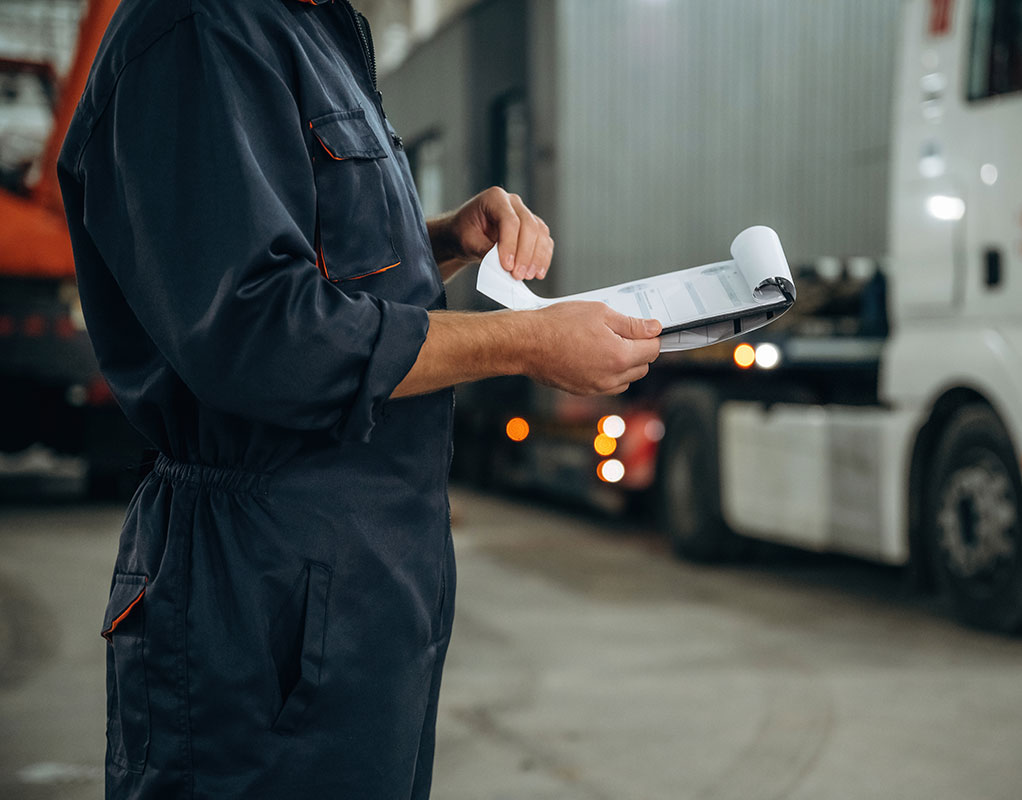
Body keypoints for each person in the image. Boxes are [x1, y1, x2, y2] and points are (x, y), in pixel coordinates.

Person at [57, 0, 661, 797]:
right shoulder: (201, 34)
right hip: (258, 590)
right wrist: (524, 342)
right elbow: (261, 338)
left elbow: (319, 265)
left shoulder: (309, 29)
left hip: (363, 579)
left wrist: (443, 239)